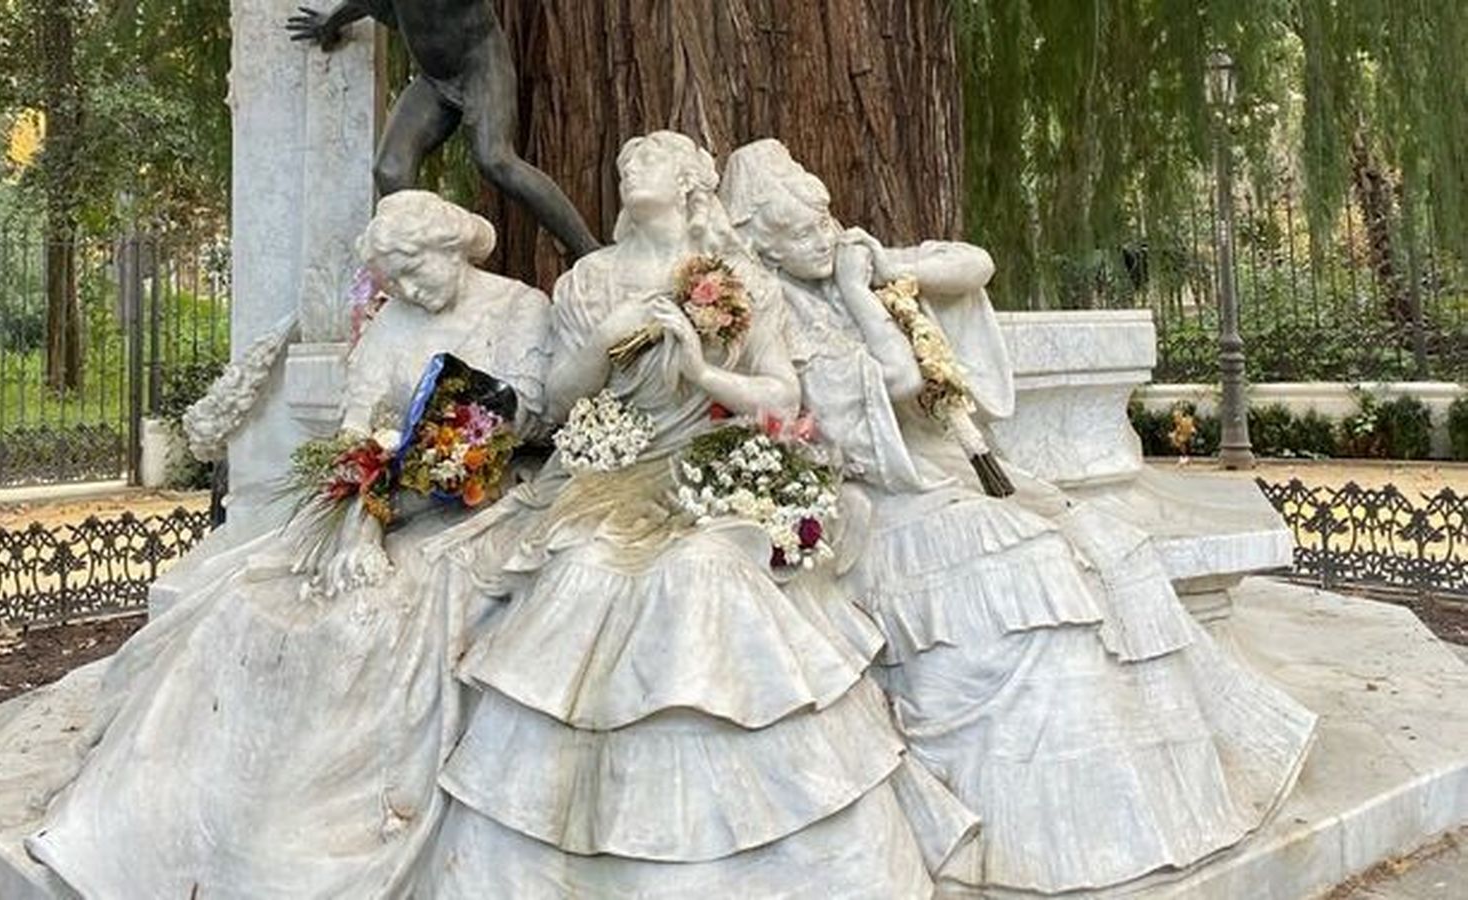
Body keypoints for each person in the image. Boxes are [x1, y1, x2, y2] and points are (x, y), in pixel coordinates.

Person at [721, 138, 1318, 894]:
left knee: (1107, 544)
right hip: (880, 504)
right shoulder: (779, 322)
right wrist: (862, 295)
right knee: (1025, 564)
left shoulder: (853, 268)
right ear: (763, 243)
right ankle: (1043, 838)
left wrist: (886, 263)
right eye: (801, 229)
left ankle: (1137, 810)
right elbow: (899, 381)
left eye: (824, 218)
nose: (823, 235)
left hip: (945, 481)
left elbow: (973, 264)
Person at [410, 131, 974, 897]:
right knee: (580, 571)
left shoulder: (738, 280)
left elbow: (783, 396)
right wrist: (606, 344)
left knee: (706, 572)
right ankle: (580, 847)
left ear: (690, 185)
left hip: (712, 471)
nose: (629, 168)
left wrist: (703, 371)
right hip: (610, 474)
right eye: (623, 163)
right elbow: (564, 398)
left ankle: (732, 849)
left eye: (648, 160)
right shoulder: (589, 281)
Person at [24, 192, 554, 898]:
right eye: (395, 280)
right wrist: (364, 512)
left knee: (369, 623)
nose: (409, 291)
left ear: (452, 249)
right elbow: (355, 425)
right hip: (387, 502)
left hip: (479, 504)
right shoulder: (394, 321)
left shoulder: (518, 308)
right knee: (247, 598)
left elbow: (537, 412)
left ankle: (315, 832)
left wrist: (460, 455)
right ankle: (194, 814)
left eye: (417, 272)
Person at [287, 0, 601, 258]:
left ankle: (589, 251)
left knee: (496, 159)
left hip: (480, 65)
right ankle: (423, 269)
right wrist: (329, 24)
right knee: (390, 171)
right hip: (434, 82)